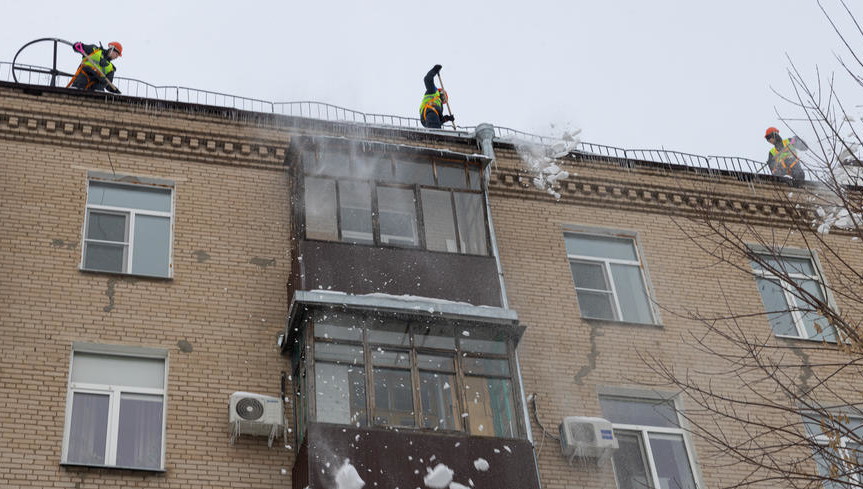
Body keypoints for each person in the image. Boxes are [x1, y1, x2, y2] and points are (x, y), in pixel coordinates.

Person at [419, 64, 455, 129]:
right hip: (429, 111)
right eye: (444, 97)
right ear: (441, 92)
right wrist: (434, 70)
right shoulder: (433, 91)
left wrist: (447, 118)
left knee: (437, 126)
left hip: (428, 118)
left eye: (445, 100)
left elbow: (439, 121)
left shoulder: (439, 106)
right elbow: (427, 79)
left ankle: (435, 136)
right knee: (435, 128)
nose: (444, 100)